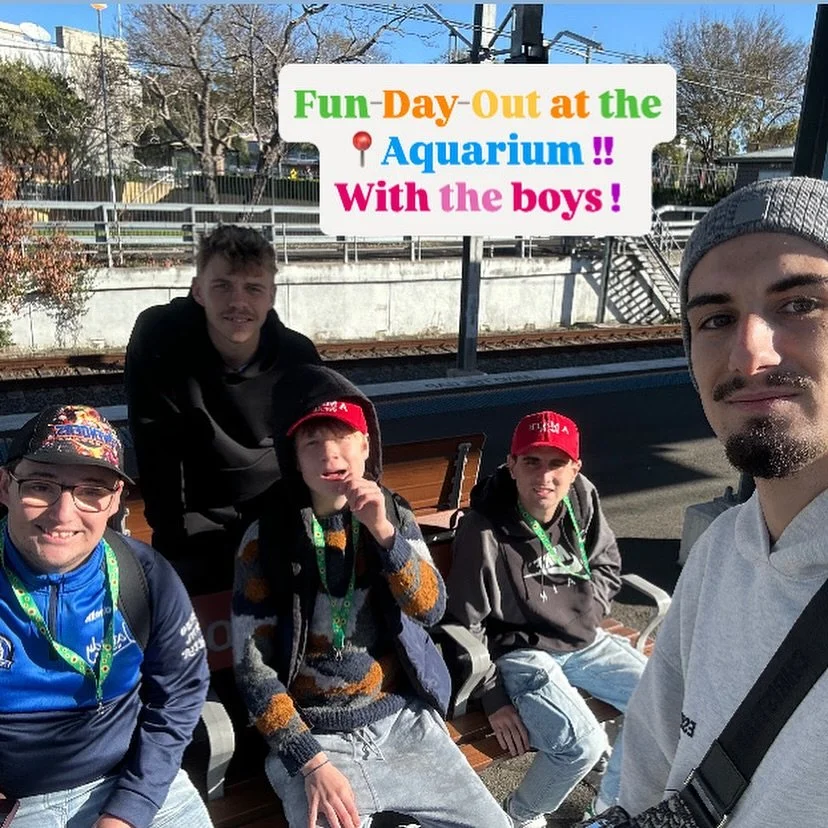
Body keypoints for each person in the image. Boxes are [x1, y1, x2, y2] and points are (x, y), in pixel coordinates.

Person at [616, 176, 828, 825]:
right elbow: (646, 768)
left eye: (799, 305)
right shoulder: (720, 552)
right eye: (715, 319)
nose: (750, 352)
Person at [231, 365, 511, 828]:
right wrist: (311, 762)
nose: (330, 454)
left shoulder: (393, 516)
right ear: (294, 460)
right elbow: (252, 666)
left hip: (401, 719)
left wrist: (384, 536)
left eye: (343, 437)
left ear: (366, 446)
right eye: (312, 443)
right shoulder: (266, 539)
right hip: (314, 740)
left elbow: (431, 608)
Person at [0, 404, 211, 828]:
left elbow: (182, 691)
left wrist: (130, 808)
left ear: (116, 500)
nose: (63, 514)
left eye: (91, 492)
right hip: (18, 804)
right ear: (5, 487)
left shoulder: (146, 576)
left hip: (137, 780)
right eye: (40, 486)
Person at [446, 410, 647, 827]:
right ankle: (521, 814)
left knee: (660, 702)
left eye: (557, 463)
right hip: (522, 650)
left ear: (575, 469)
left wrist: (584, 615)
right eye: (532, 462)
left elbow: (606, 565)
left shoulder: (582, 499)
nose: (545, 476)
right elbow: (465, 623)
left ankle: (607, 808)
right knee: (581, 744)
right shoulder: (484, 529)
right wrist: (494, 698)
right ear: (512, 464)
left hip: (584, 641)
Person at [125, 224, 321, 592]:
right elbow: (155, 451)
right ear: (198, 290)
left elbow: (316, 453)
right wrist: (172, 551)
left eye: (253, 288)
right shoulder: (160, 340)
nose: (238, 302)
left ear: (271, 296)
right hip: (194, 519)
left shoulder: (299, 359)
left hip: (276, 514)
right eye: (222, 286)